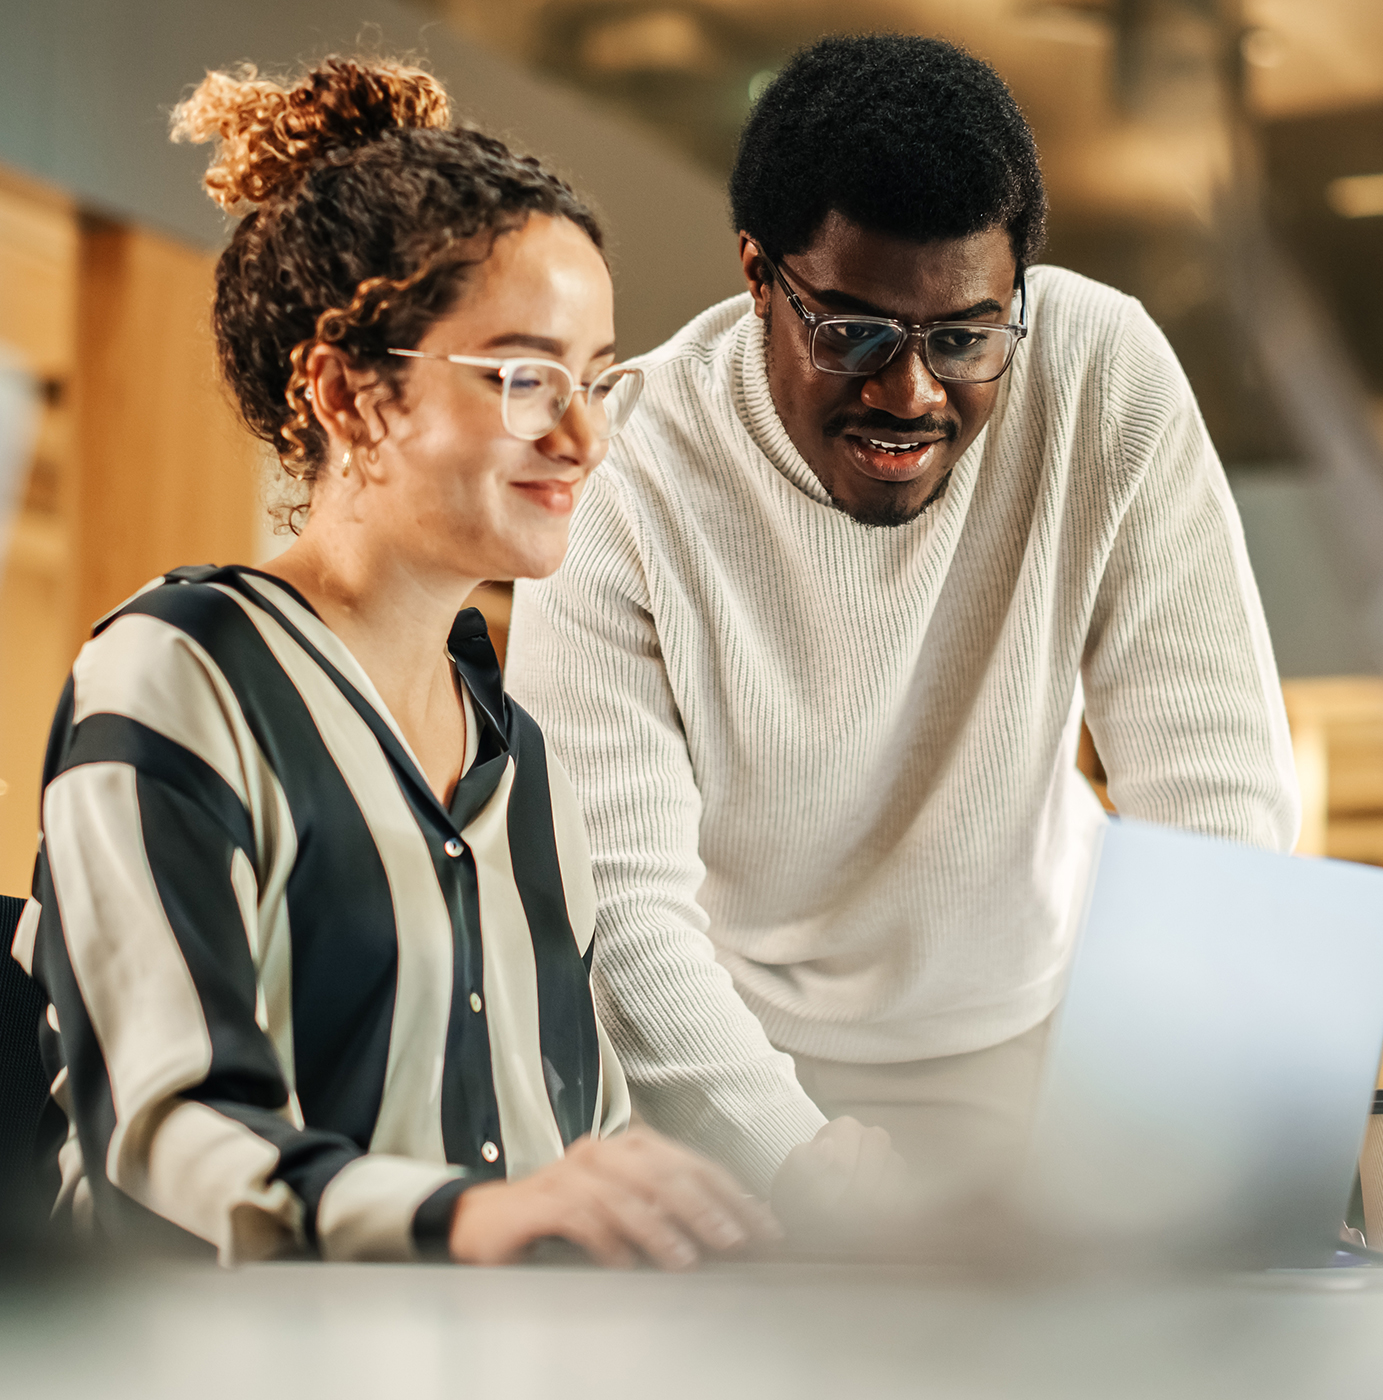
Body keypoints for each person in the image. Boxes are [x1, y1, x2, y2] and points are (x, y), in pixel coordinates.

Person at [506, 34, 1301, 1203]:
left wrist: (1154, 1136)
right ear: (755, 274)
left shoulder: (1099, 372)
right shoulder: (627, 473)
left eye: (964, 337)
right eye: (853, 333)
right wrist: (798, 1160)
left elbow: (1215, 791)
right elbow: (616, 902)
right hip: (726, 1066)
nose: (911, 393)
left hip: (1033, 1038)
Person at [10, 56, 777, 1267]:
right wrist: (463, 1218)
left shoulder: (525, 766)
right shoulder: (182, 671)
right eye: (526, 376)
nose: (582, 435)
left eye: (596, 379)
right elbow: (163, 1136)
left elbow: (578, 1152)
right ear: (347, 395)